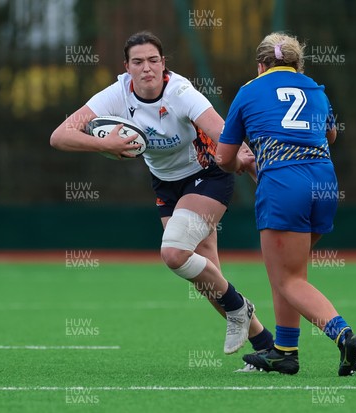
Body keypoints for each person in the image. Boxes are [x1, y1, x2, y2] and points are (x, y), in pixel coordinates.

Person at [50, 31, 274, 357]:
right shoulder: (117, 94)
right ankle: (265, 345)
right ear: (126, 67)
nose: (147, 68)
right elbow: (60, 135)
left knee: (173, 253)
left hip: (208, 175)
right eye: (138, 62)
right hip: (166, 185)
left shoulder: (180, 91)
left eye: (153, 60)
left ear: (163, 63)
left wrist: (243, 157)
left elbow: (221, 131)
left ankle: (240, 308)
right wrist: (104, 144)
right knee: (205, 274)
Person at [217, 32, 356, 376]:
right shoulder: (315, 88)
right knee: (287, 273)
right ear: (298, 64)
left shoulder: (249, 91)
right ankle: (284, 352)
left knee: (288, 279)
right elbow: (331, 135)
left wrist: (243, 162)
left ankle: (344, 336)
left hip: (285, 184)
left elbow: (224, 156)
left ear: (260, 65)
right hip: (325, 183)